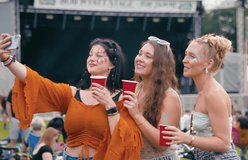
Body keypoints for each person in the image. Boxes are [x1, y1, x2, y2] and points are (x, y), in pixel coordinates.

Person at [0, 33, 143, 159]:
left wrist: (110, 106)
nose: (92, 58)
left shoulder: (122, 98)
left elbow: (126, 141)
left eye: (99, 55)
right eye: (90, 54)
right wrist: (6, 59)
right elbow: (36, 81)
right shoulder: (73, 94)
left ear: (112, 65)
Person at [162, 34, 239, 159]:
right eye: (186, 54)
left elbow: (224, 143)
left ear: (208, 64)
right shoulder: (204, 91)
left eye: (192, 56)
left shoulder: (213, 94)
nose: (184, 60)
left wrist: (187, 138)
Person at [123, 36, 182, 159]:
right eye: (140, 54)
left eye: (148, 56)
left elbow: (163, 143)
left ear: (160, 65)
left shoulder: (169, 97)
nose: (140, 59)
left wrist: (137, 115)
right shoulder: (135, 89)